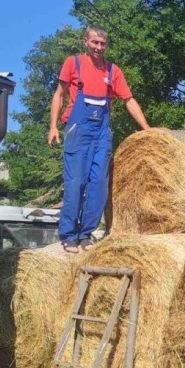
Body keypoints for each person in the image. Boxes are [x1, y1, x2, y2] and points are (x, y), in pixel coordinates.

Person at [48, 26, 150, 253]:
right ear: (86, 42)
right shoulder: (73, 64)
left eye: (102, 44)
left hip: (101, 134)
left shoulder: (114, 72)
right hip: (78, 132)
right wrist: (53, 126)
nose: (98, 47)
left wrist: (147, 130)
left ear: (107, 45)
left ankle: (86, 233)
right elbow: (59, 95)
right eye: (94, 42)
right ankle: (68, 234)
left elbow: (129, 101)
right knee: (76, 184)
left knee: (99, 186)